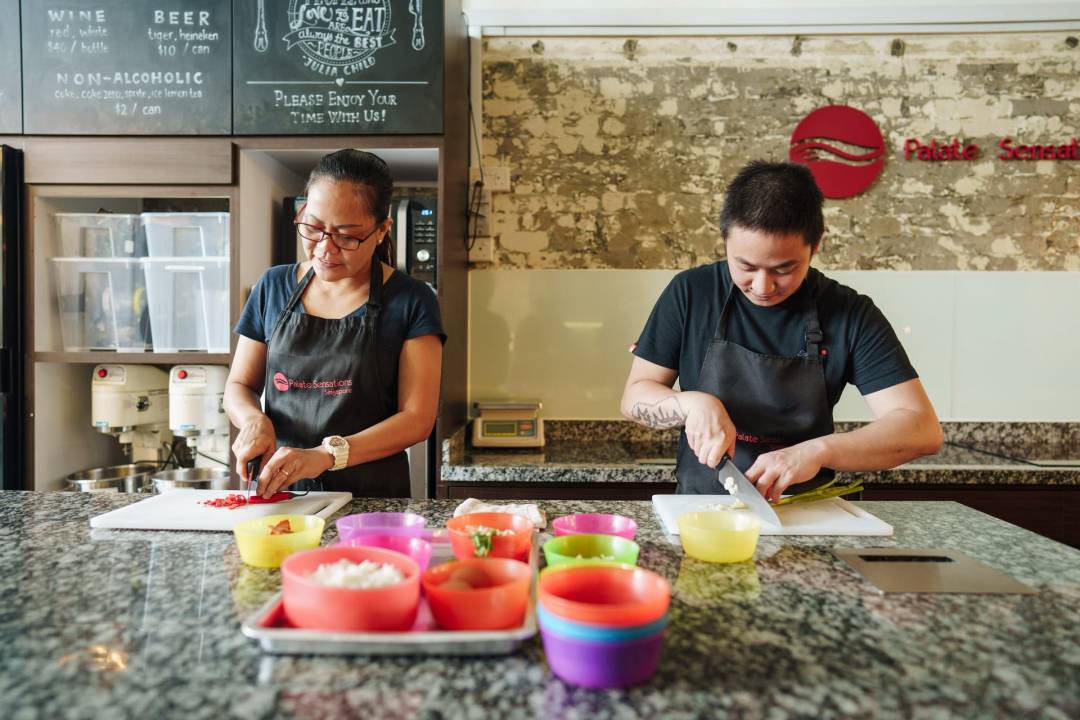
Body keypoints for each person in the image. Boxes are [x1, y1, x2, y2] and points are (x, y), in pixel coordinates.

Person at [621, 160, 942, 498]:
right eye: (745, 266)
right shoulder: (691, 292)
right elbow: (635, 397)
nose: (762, 286)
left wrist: (818, 452)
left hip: (808, 513)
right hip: (703, 514)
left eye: (783, 269)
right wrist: (692, 404)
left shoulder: (850, 313)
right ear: (725, 240)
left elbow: (921, 430)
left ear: (815, 245)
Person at [225, 149, 445, 498]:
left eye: (346, 236)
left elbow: (417, 418)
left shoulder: (412, 301)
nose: (325, 249)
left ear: (380, 231)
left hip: (371, 500)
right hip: (280, 491)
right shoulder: (273, 286)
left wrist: (327, 455)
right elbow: (239, 384)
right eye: (313, 228)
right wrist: (254, 421)